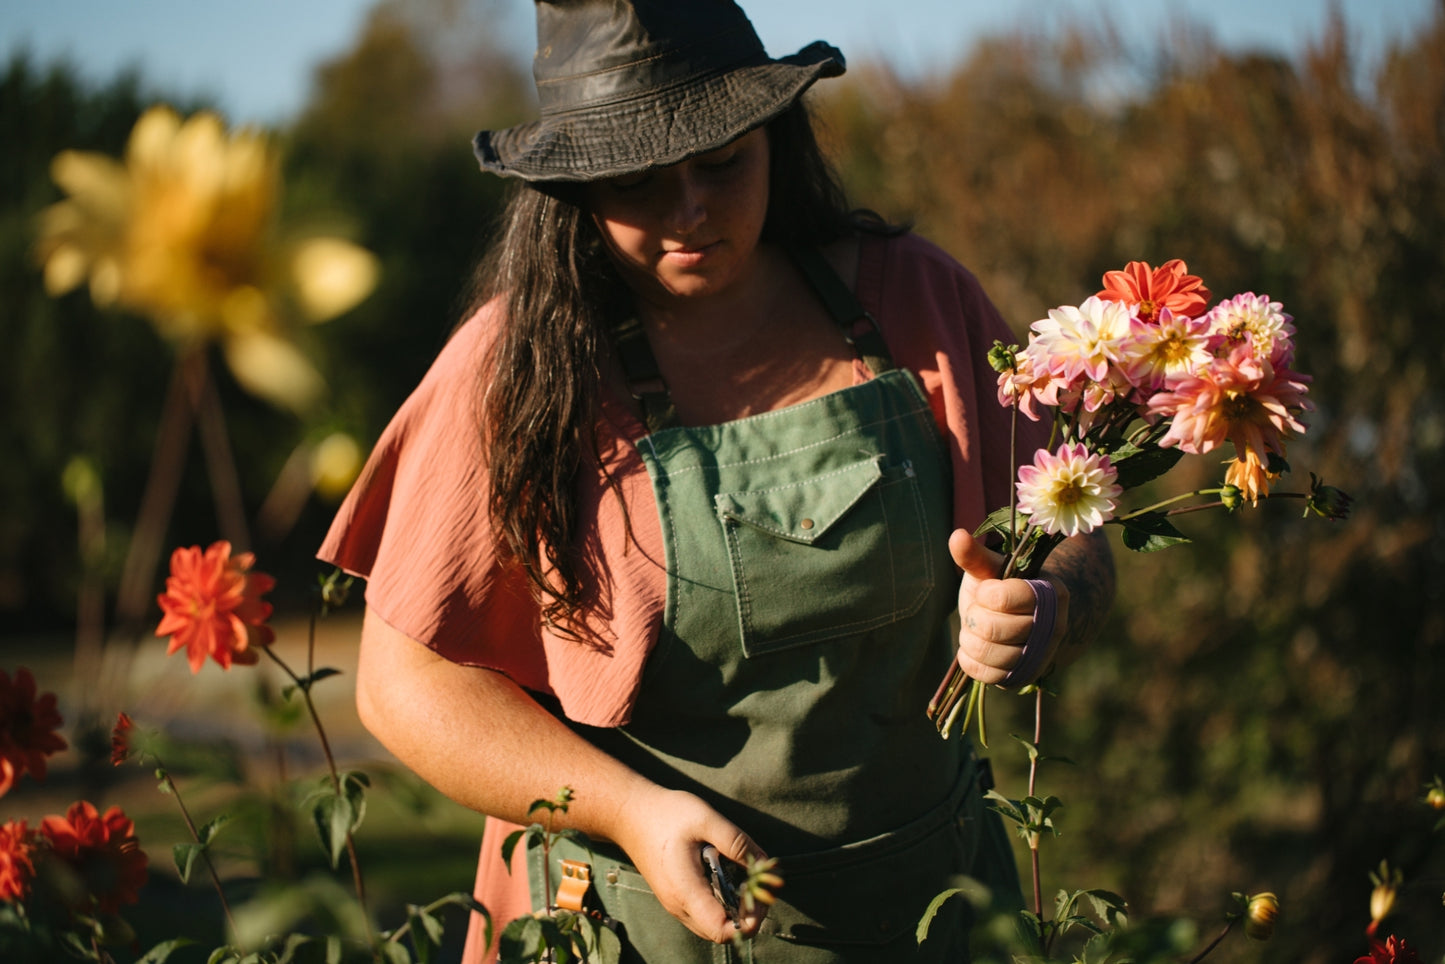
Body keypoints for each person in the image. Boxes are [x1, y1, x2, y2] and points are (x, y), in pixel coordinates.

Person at [319, 1, 1115, 961]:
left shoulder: (916, 298)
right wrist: (628, 811)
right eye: (641, 182)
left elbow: (1075, 522)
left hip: (935, 912)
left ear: (774, 139)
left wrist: (1050, 600)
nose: (691, 209)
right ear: (574, 188)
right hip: (627, 927)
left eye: (723, 163)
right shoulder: (516, 367)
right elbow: (404, 687)